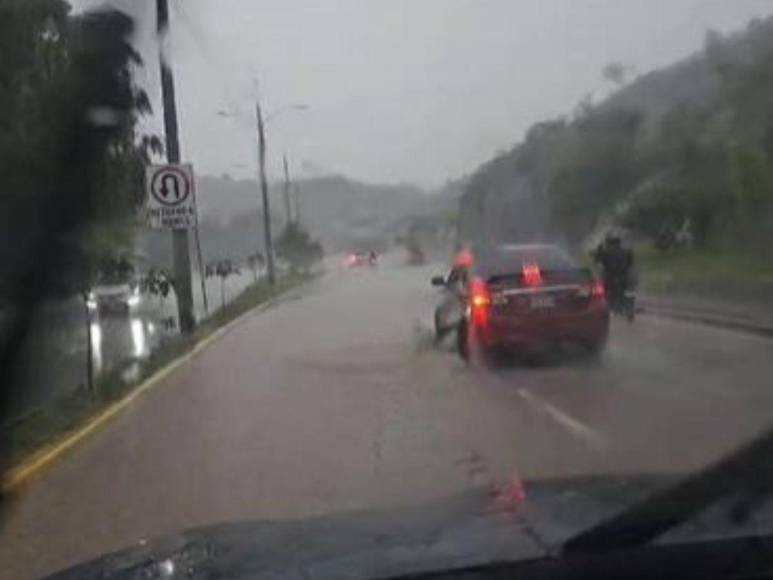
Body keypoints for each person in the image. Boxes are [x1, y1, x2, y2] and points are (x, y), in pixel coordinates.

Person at [593, 232, 634, 312]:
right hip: (622, 276)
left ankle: (604, 304)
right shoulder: (626, 252)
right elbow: (630, 263)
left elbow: (597, 260)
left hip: (610, 277)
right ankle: (626, 306)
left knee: (600, 288)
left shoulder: (606, 252)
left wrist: (599, 250)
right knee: (627, 289)